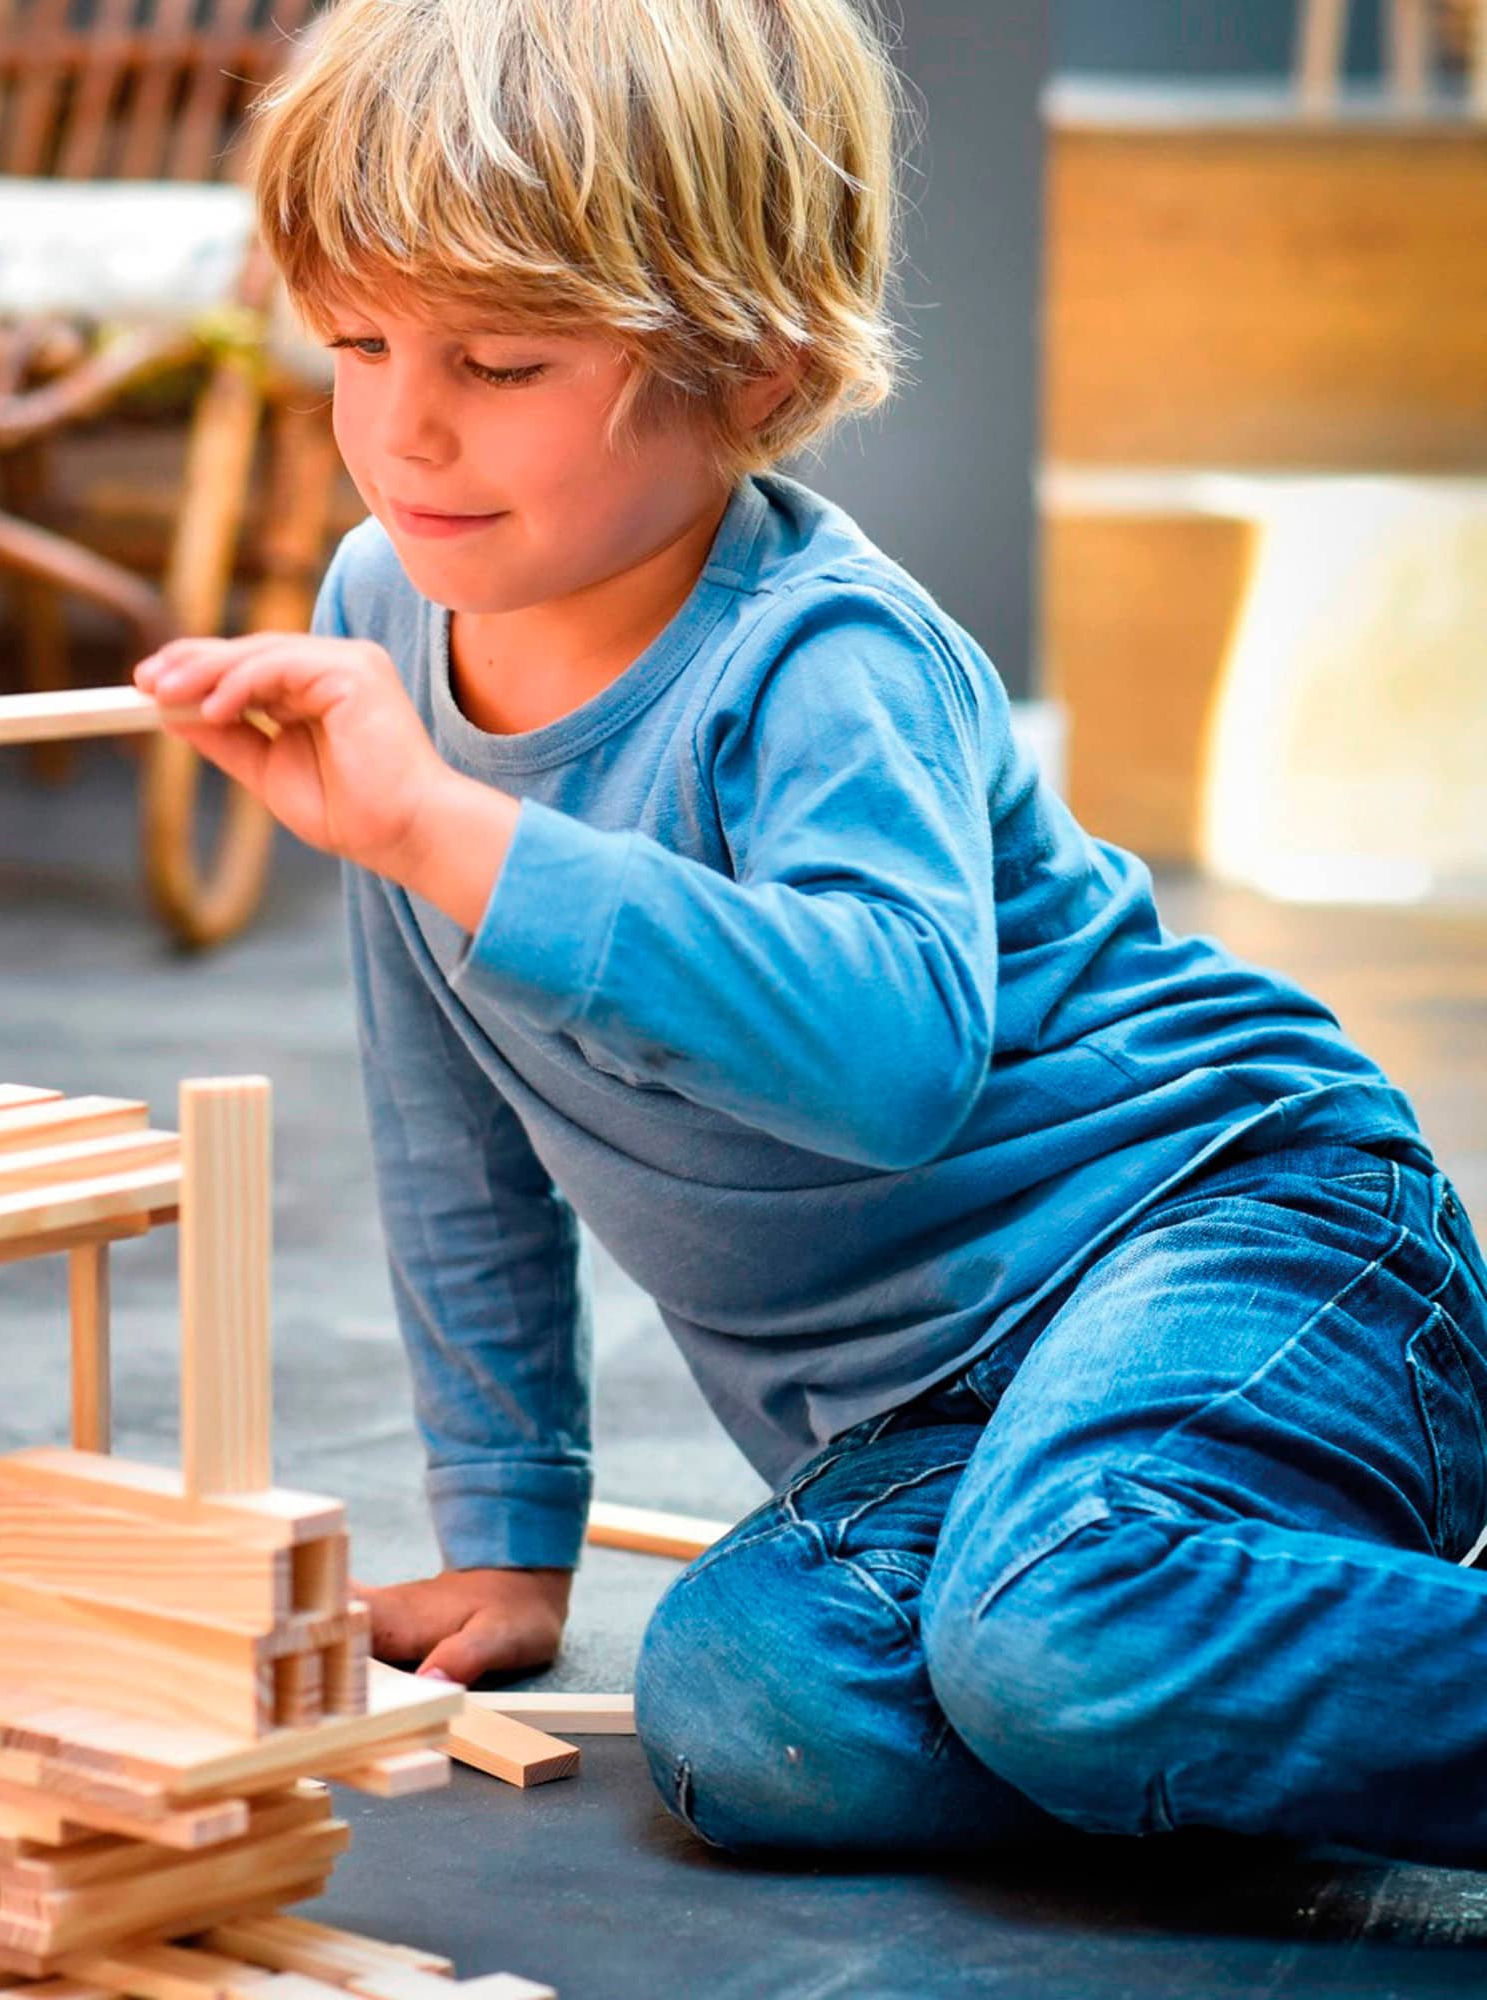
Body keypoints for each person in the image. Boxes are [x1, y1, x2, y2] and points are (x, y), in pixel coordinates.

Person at [135, 0, 1487, 1865]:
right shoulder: (384, 608)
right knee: (751, 1717)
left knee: (1061, 1631)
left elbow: (889, 1068)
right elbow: (445, 1104)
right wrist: (511, 1525)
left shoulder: (826, 663)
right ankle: (1215, 1620)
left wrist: (445, 826)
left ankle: (1183, 1589)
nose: (399, 424)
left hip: (1237, 1237)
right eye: (357, 339)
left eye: (501, 361)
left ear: (755, 370)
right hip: (928, 1425)